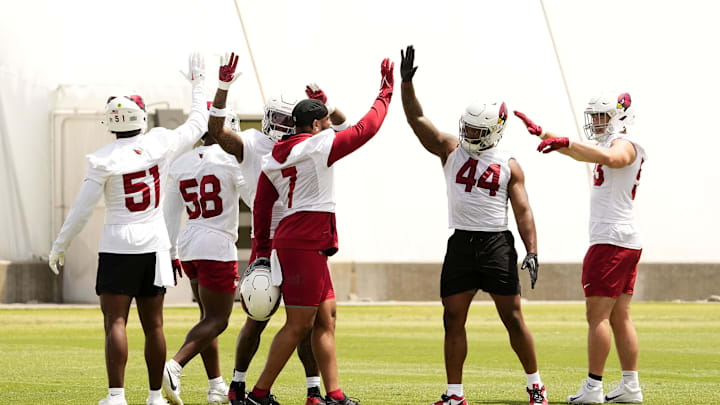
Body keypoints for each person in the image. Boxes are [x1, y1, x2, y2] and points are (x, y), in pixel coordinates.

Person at [230, 56, 394, 405]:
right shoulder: (319, 145)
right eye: (324, 122)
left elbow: (261, 205)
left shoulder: (275, 154)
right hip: (305, 240)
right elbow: (367, 128)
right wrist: (385, 92)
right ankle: (258, 394)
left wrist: (260, 250)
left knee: (326, 317)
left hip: (300, 239)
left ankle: (333, 394)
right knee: (298, 324)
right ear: (317, 125)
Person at [47, 52, 209, 405]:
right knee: (155, 325)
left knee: (115, 322)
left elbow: (81, 210)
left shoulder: (102, 158)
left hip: (117, 243)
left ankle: (117, 395)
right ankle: (154, 396)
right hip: (152, 245)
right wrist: (197, 84)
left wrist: (60, 244)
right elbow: (198, 123)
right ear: (141, 116)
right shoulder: (160, 141)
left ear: (110, 122)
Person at [399, 45, 548, 405]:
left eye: (478, 130)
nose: (470, 135)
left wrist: (531, 250)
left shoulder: (509, 165)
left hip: (496, 243)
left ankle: (536, 385)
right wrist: (406, 84)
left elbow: (523, 210)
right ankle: (454, 395)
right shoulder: (451, 149)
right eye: (468, 128)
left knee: (513, 318)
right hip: (461, 243)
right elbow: (418, 121)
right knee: (452, 318)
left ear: (496, 130)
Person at [205, 53, 351, 405]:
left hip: (301, 240)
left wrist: (324, 103)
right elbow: (216, 132)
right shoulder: (254, 143)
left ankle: (314, 389)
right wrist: (223, 87)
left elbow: (343, 126)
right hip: (269, 242)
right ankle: (239, 384)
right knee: (259, 316)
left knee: (308, 318)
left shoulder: (311, 141)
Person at [514, 92, 645, 404]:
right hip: (623, 240)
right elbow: (584, 153)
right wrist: (547, 134)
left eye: (601, 116)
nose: (596, 122)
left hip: (611, 241)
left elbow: (613, 158)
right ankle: (630, 386)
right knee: (619, 316)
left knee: (597, 316)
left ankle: (593, 387)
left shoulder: (625, 144)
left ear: (618, 117)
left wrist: (566, 142)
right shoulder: (606, 145)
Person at [160, 110, 245, 405]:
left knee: (206, 317)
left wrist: (170, 252)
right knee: (218, 320)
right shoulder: (231, 161)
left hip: (188, 244)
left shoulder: (181, 163)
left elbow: (169, 213)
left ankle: (216, 386)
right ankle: (174, 366)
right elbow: (254, 195)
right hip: (217, 246)